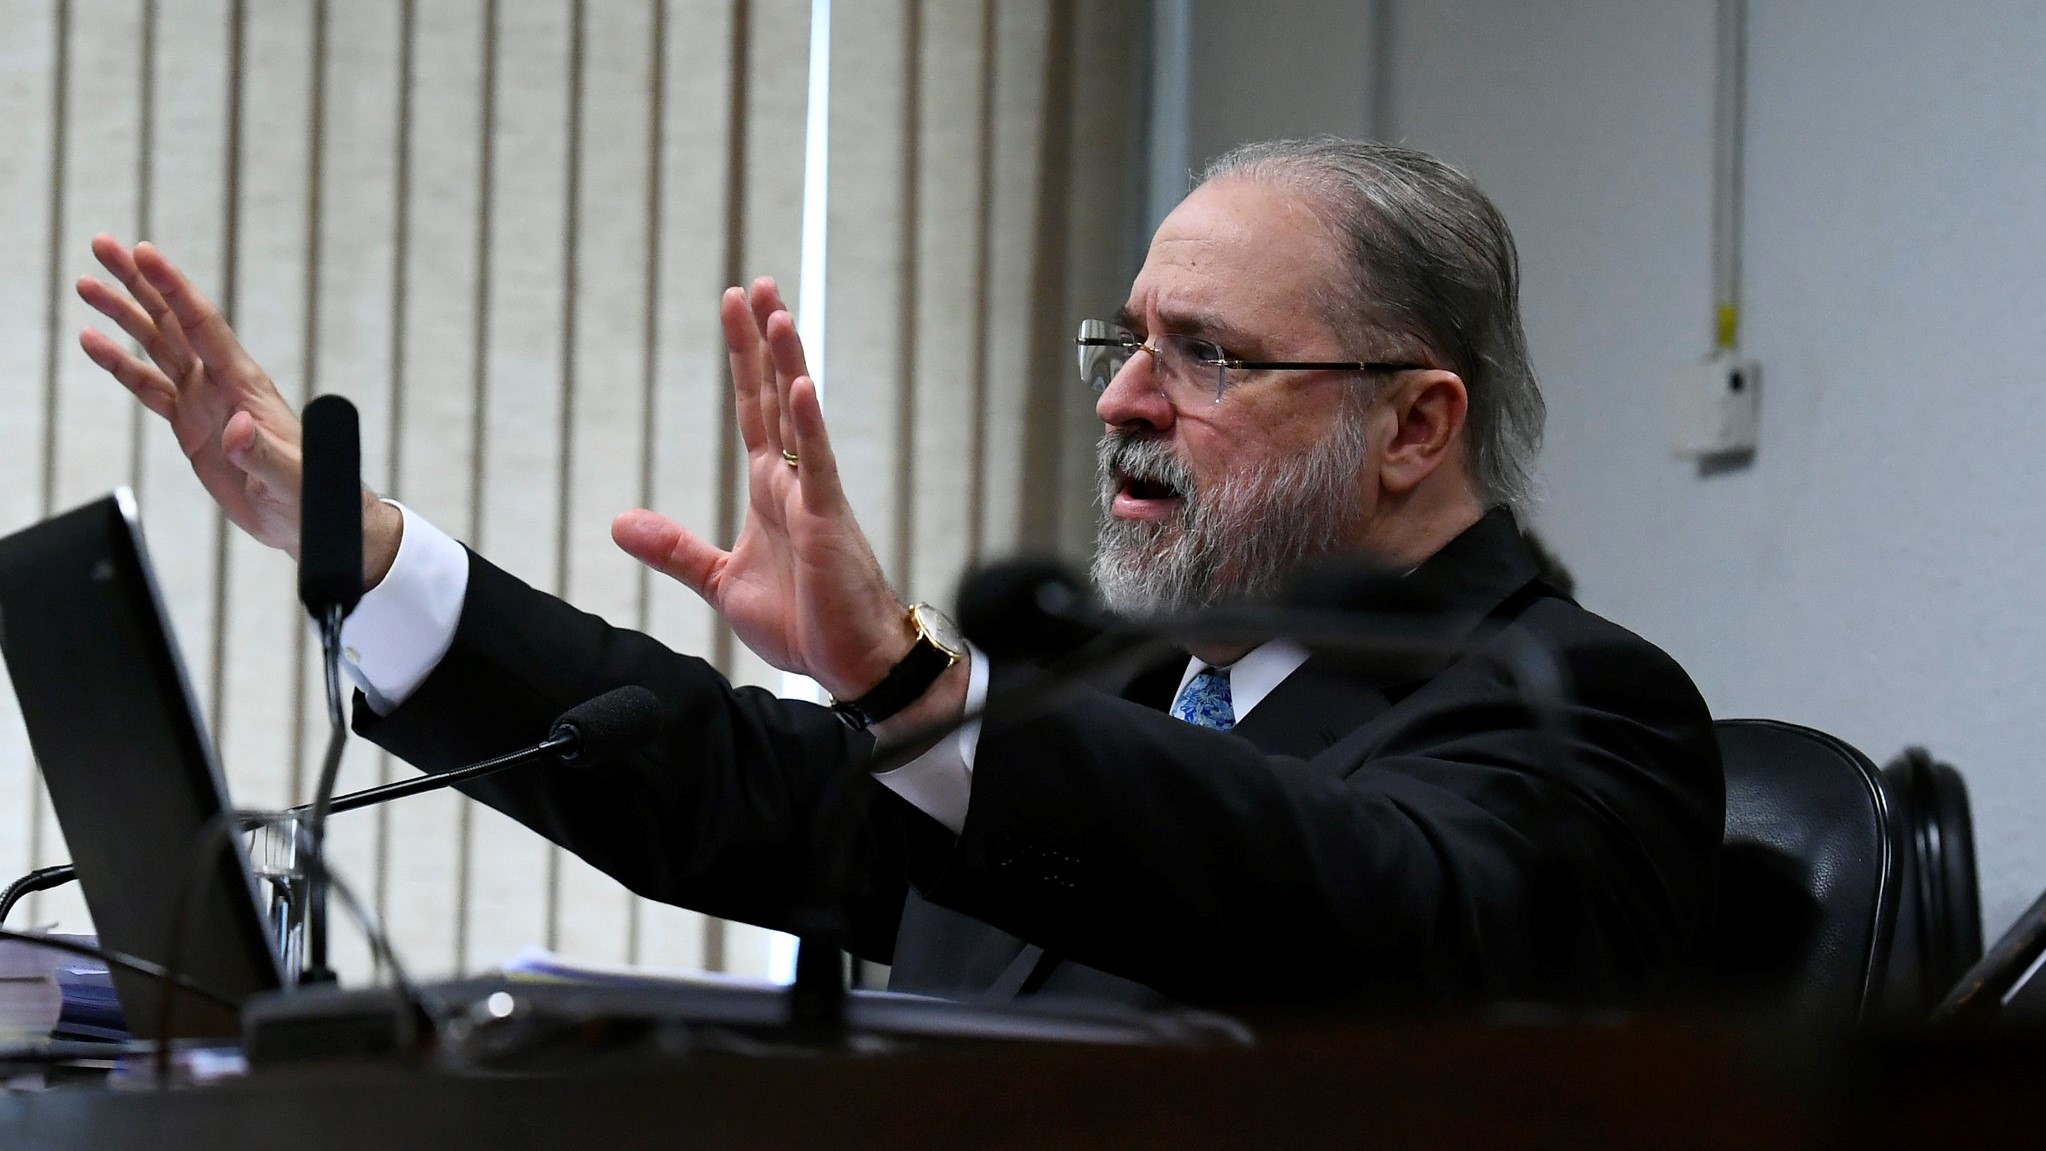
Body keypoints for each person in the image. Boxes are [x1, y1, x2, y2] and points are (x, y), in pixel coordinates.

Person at [78, 138, 1721, 1011]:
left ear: (1413, 425)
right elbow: (723, 786)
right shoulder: (1139, 685)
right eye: (1126, 341)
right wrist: (366, 557)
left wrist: (918, 692)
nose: (1122, 401)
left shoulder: (1579, 710)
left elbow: (1342, 894)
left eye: (1204, 356)